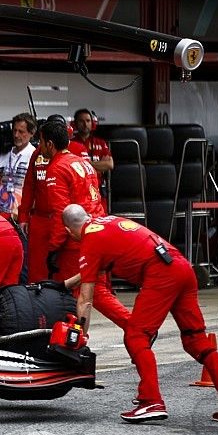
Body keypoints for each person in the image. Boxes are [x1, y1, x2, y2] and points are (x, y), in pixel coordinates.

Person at [62, 204, 218, 423]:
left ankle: (150, 401)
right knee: (195, 339)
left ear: (68, 231)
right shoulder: (108, 222)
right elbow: (97, 268)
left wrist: (81, 337)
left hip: (160, 274)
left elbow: (85, 299)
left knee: (135, 335)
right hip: (182, 267)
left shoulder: (89, 241)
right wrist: (65, 284)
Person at [38, 120, 130, 329]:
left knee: (83, 292)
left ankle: (132, 326)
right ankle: (79, 336)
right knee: (90, 291)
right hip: (98, 231)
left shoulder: (56, 168)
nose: (39, 146)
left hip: (76, 241)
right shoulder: (83, 163)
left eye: (41, 141)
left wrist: (53, 248)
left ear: (50, 144)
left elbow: (63, 214)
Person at [18, 114, 90, 282]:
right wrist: (23, 216)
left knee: (66, 271)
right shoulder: (38, 153)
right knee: (37, 270)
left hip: (68, 221)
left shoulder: (78, 150)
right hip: (41, 219)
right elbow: (29, 186)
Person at [0, 113, 37, 221]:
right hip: (0, 214)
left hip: (21, 217)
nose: (16, 135)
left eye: (21, 131)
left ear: (31, 133)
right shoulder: (4, 154)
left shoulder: (35, 155)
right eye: (14, 131)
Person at [73, 108, 113, 205]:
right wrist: (98, 165)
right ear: (75, 124)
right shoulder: (70, 144)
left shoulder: (101, 143)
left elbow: (109, 165)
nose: (85, 124)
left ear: (92, 123)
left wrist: (85, 163)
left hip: (98, 188)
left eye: (88, 121)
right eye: (81, 121)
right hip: (77, 190)